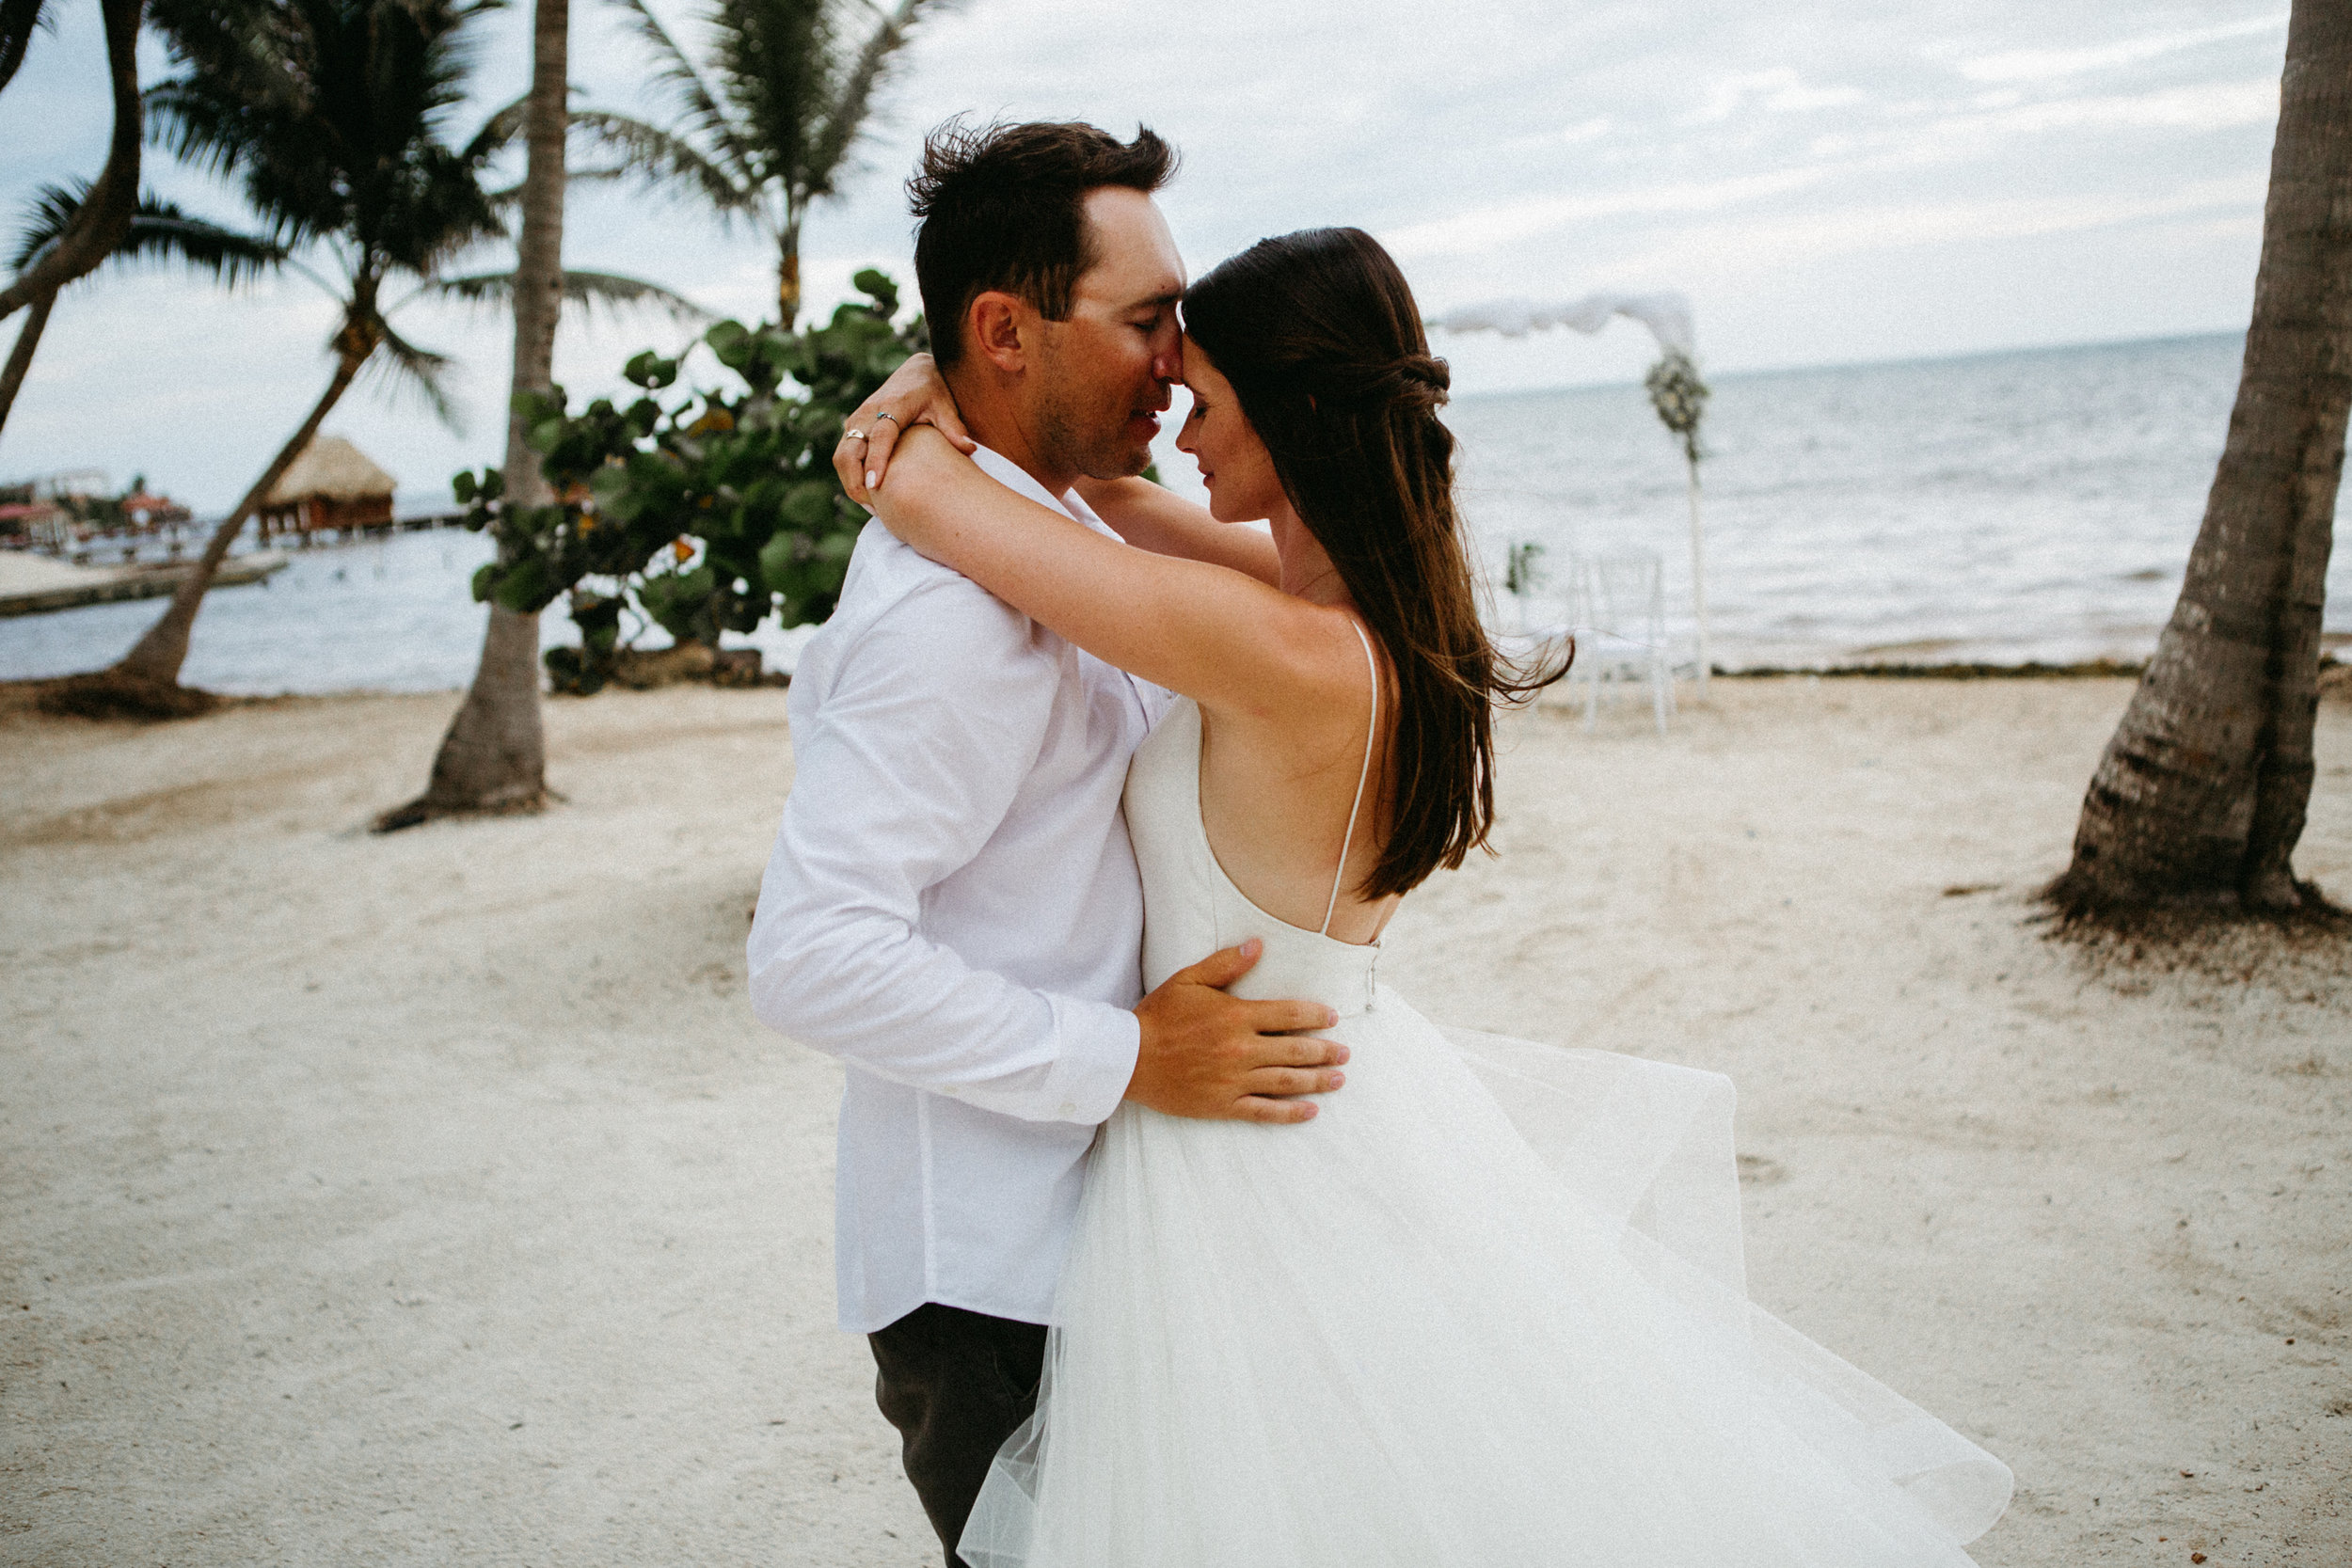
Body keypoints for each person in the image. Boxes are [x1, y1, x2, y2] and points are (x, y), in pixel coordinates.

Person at [841, 218, 2015, 1564]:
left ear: (1293, 417)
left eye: (1208, 403)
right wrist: (951, 379)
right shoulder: (1377, 610)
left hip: (1237, 1147)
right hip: (1333, 1098)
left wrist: (919, 407)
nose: (1180, 434)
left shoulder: (1275, 646)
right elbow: (1101, 500)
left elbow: (945, 507)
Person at [746, 120, 1351, 1568]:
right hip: (1000, 1280)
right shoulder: (951, 619)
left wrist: (923, 399)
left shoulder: (1064, 537)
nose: (1181, 361)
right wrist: (1126, 1056)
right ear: (1006, 330)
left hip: (1125, 1232)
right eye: (1150, 322)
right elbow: (809, 957)